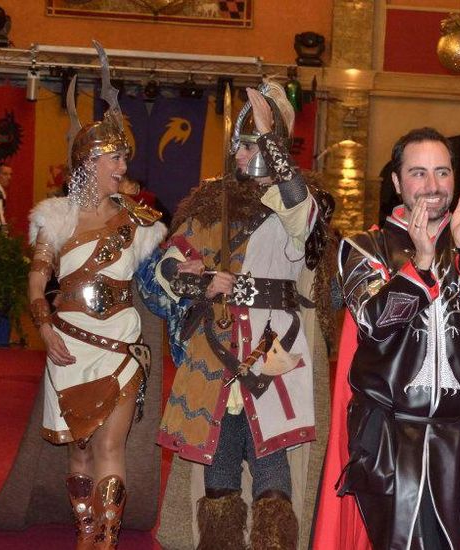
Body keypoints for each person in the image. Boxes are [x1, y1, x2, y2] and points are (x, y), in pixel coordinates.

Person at [144, 81, 334, 549]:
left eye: (254, 147)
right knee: (220, 470)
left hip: (275, 352)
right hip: (217, 351)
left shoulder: (303, 201)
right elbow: (169, 265)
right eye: (242, 147)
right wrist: (198, 278)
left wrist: (271, 138)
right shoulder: (211, 202)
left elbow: (301, 221)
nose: (244, 157)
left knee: (274, 473)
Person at [333, 127, 460, 549]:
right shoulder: (365, 247)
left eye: (442, 172)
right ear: (398, 182)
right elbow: (374, 322)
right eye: (418, 173)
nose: (433, 186)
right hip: (393, 435)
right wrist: (420, 264)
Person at [25, 58, 166, 549]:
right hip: (68, 342)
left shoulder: (141, 222)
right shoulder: (55, 216)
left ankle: (105, 538)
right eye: (115, 159)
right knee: (80, 450)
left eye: (124, 159)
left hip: (121, 341)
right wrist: (44, 327)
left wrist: (186, 273)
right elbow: (39, 275)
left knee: (111, 443)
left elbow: (160, 274)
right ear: (89, 163)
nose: (123, 168)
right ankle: (85, 529)